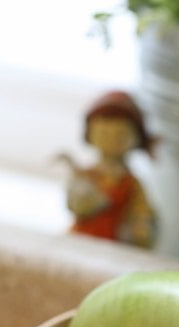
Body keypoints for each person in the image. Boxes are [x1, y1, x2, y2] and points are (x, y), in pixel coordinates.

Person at [63, 90, 157, 247]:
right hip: (80, 241)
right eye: (104, 133)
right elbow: (75, 203)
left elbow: (142, 212)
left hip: (114, 245)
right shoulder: (86, 175)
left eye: (120, 135)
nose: (112, 139)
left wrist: (142, 227)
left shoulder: (131, 183)